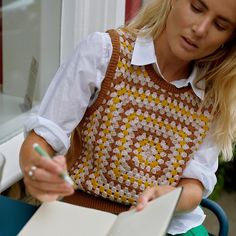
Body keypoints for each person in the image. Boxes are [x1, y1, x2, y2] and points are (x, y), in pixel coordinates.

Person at [20, 0, 236, 235]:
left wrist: (172, 198)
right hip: (82, 215)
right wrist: (36, 170)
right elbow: (41, 139)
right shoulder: (104, 53)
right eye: (196, 7)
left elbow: (194, 185)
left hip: (162, 225)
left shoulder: (214, 96)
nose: (201, 29)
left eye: (221, 25)